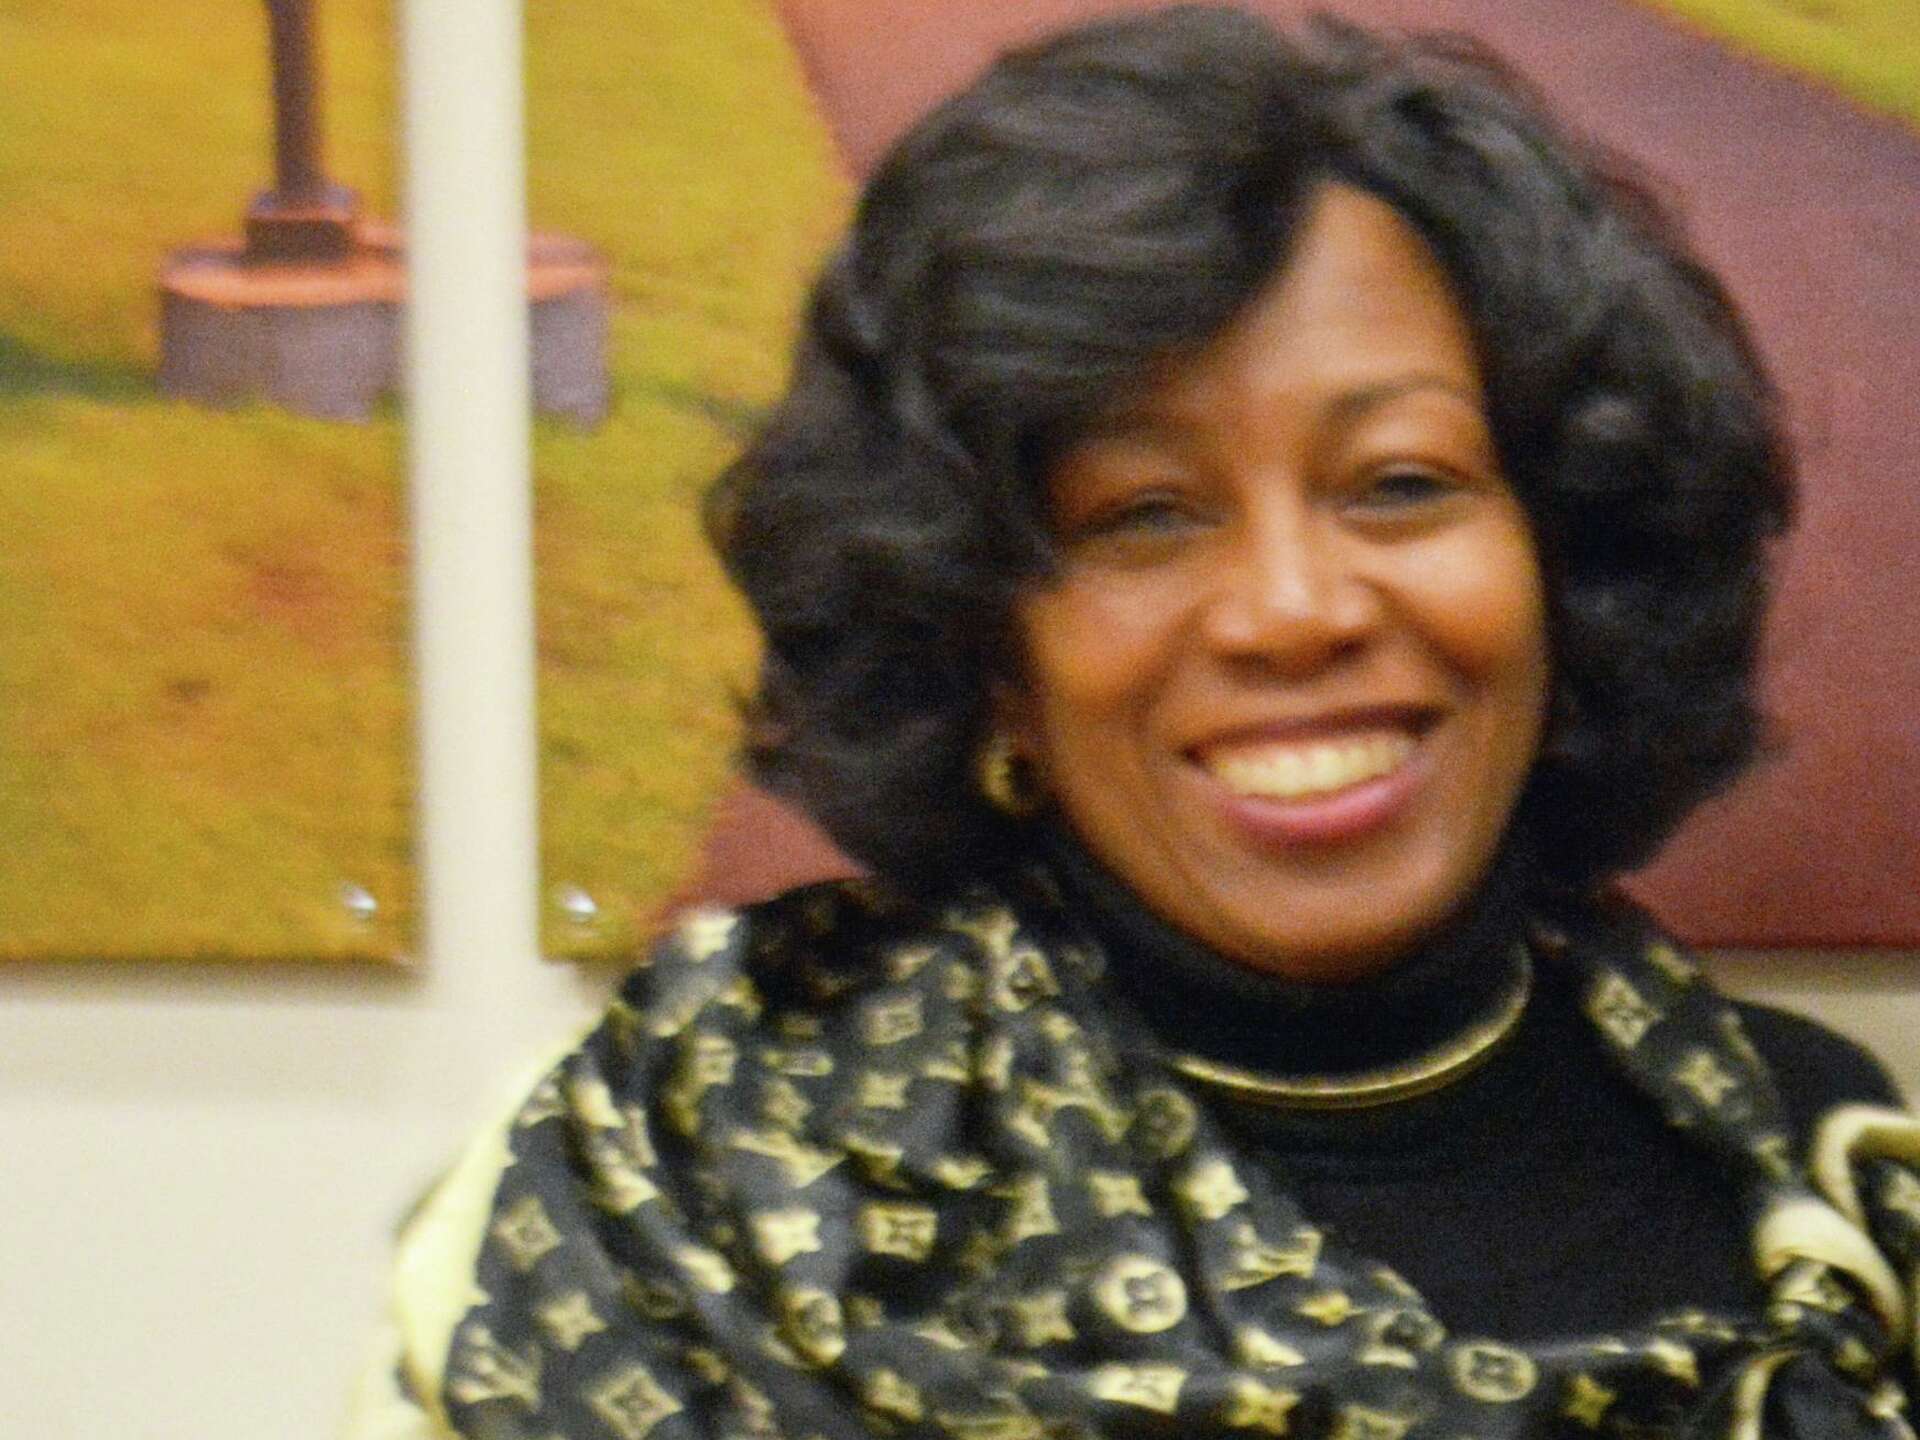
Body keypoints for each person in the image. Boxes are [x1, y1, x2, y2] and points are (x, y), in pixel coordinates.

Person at [349, 9, 1920, 1439]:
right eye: (1144, 515)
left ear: (1568, 560)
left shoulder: (1832, 1191)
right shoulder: (676, 1193)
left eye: (1400, 483)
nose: (1291, 610)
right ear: (985, 640)